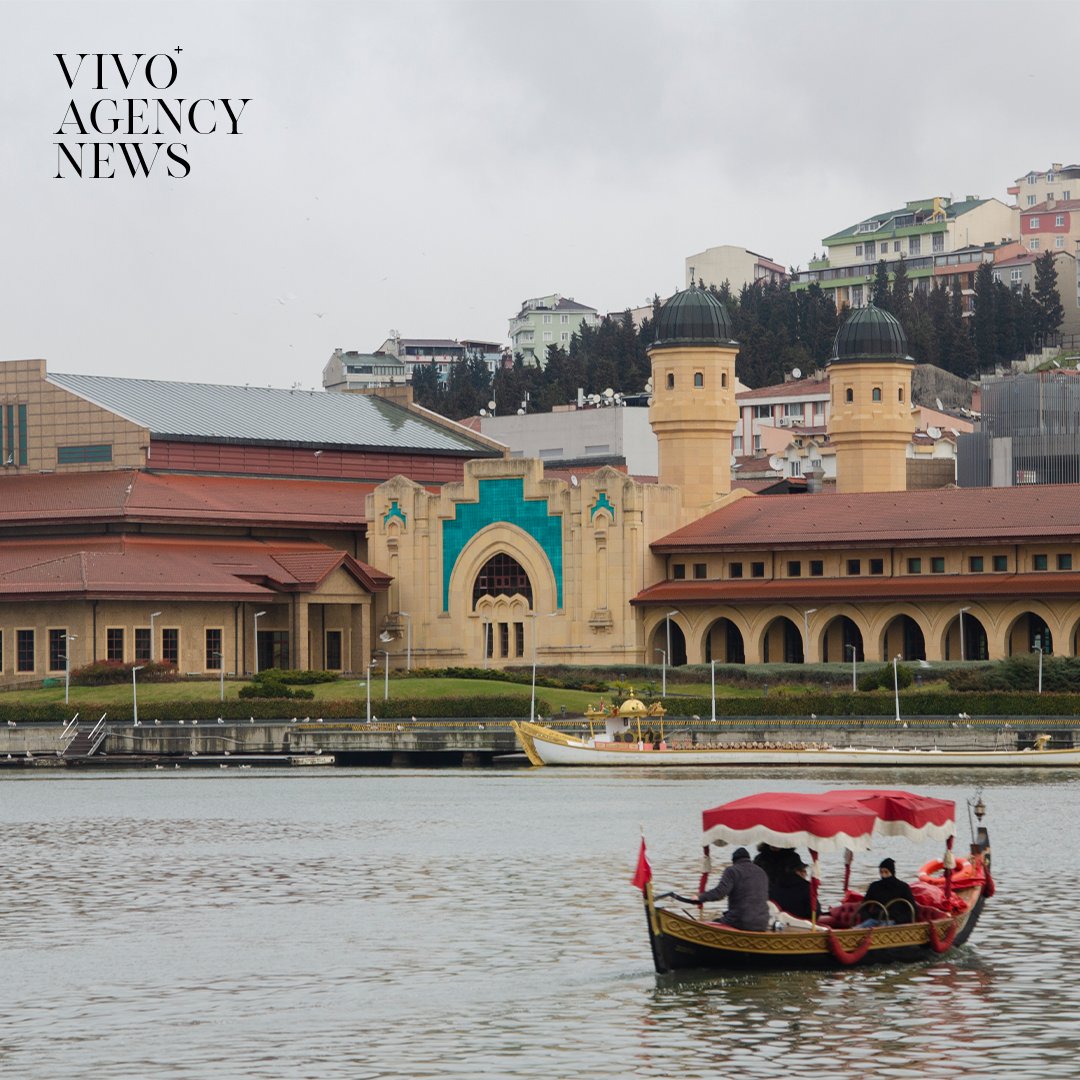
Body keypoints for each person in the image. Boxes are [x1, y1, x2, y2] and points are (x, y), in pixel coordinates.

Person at [697, 847, 770, 931]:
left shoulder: (732, 871)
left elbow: (720, 893)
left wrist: (701, 897)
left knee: (715, 923)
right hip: (762, 923)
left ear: (734, 861)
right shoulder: (761, 872)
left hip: (740, 921)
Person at [858, 857, 917, 926]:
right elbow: (864, 906)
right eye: (881, 872)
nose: (883, 875)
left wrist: (898, 921)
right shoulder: (874, 886)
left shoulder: (903, 887)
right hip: (875, 920)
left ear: (892, 872)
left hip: (893, 921)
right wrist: (867, 917)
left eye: (886, 872)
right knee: (856, 930)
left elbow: (913, 909)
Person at [769, 856, 821, 922]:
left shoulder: (774, 887)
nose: (805, 874)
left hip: (779, 923)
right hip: (803, 925)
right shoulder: (806, 887)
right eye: (804, 871)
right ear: (798, 871)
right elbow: (815, 913)